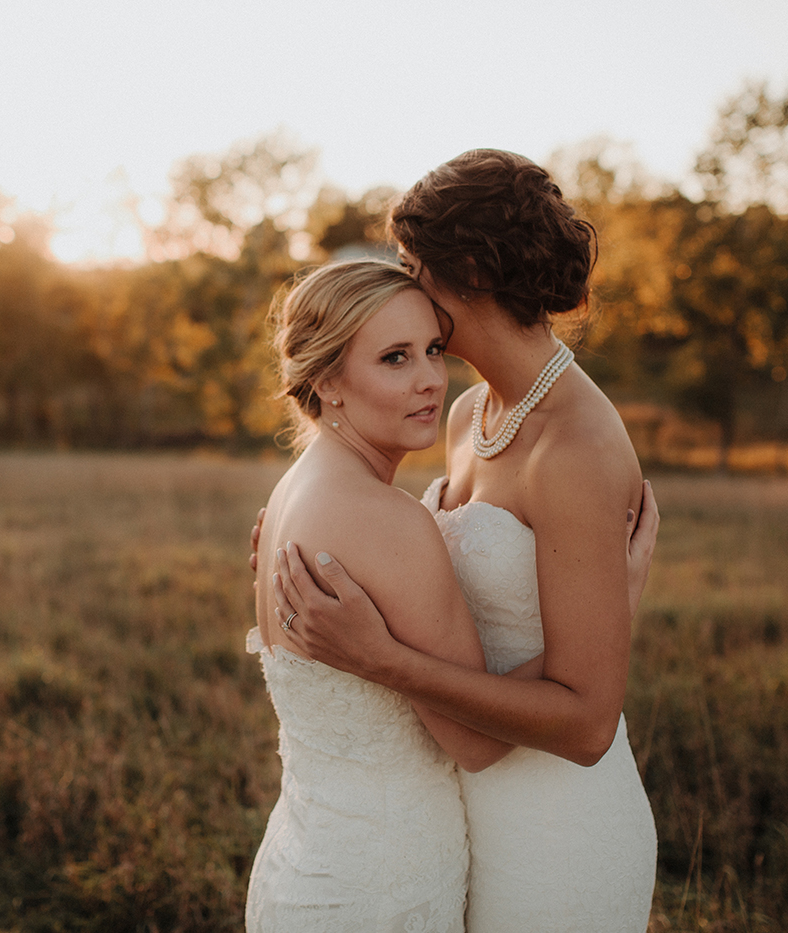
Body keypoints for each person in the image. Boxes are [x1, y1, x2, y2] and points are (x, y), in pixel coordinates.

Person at [268, 149, 660, 932]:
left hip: (555, 826)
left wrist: (384, 660)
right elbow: (426, 567)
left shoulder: (573, 449)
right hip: (459, 808)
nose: (407, 282)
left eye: (416, 264)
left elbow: (586, 724)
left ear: (472, 270)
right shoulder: (466, 414)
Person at [245, 258, 518, 932]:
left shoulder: (295, 490)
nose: (430, 377)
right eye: (394, 358)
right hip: (382, 887)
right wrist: (599, 623)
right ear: (328, 382)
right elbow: (478, 743)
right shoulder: (386, 518)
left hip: (302, 864)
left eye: (432, 349)